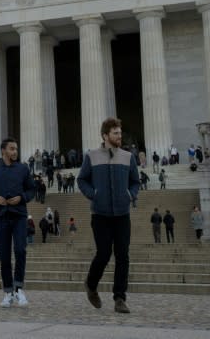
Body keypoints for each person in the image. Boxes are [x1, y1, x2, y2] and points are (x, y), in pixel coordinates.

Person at [78, 117, 140, 314]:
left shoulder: (127, 157)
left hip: (122, 213)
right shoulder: (92, 156)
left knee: (123, 255)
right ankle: (91, 284)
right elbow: (82, 179)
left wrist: (130, 195)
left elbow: (135, 181)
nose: (119, 136)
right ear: (105, 135)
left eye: (120, 133)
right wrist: (93, 194)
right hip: (100, 214)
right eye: (115, 133)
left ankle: (119, 298)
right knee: (103, 253)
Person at [0, 136, 36, 308]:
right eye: (12, 149)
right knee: (4, 256)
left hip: (19, 215)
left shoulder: (23, 169)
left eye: (16, 149)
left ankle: (19, 288)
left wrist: (22, 197)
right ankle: (8, 292)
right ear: (3, 150)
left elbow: (32, 189)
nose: (15, 152)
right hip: (2, 216)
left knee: (20, 250)